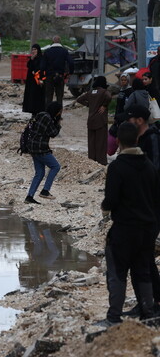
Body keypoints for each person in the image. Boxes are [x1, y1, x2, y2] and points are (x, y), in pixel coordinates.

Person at [98, 122, 159, 327]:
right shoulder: (149, 166)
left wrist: (105, 209)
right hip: (147, 228)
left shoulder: (117, 167)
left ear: (118, 141)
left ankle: (114, 317)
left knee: (117, 272)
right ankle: (148, 315)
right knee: (142, 270)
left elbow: (111, 200)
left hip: (124, 228)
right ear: (137, 140)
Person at [24, 101, 63, 204]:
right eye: (59, 112)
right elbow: (53, 133)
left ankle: (29, 196)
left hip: (32, 147)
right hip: (40, 148)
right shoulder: (48, 118)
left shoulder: (40, 115)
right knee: (55, 167)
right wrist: (58, 124)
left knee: (40, 173)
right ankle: (45, 190)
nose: (60, 114)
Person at [76, 76, 112, 165]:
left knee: (91, 142)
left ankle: (92, 161)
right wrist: (104, 105)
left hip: (91, 120)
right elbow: (109, 97)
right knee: (101, 142)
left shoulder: (90, 92)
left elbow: (79, 99)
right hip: (101, 120)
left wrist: (89, 105)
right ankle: (101, 161)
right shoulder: (104, 92)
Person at [41, 35, 74, 107]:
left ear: (52, 41)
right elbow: (71, 62)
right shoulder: (64, 51)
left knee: (48, 96)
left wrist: (42, 76)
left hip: (49, 76)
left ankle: (48, 113)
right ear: (60, 41)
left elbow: (42, 66)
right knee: (59, 96)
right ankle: (58, 114)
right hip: (60, 75)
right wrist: (70, 72)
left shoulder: (47, 51)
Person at [108, 73, 134, 156]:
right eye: (122, 80)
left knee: (124, 136)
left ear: (128, 80)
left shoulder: (130, 91)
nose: (123, 82)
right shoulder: (121, 90)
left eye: (125, 80)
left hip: (124, 117)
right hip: (118, 116)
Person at [22, 44, 46, 115]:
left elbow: (41, 68)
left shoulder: (41, 58)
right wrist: (32, 59)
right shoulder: (32, 58)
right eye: (32, 49)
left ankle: (39, 110)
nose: (33, 51)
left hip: (38, 80)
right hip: (31, 81)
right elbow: (28, 66)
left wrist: (36, 72)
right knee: (31, 95)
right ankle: (32, 109)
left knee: (38, 95)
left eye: (35, 49)